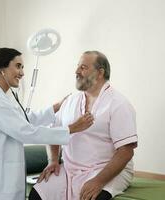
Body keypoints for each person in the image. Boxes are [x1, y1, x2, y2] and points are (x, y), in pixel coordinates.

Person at [0, 48, 94, 200]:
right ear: (2, 69)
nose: (22, 73)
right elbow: (28, 132)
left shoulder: (0, 99)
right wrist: (72, 128)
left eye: (22, 67)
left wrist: (55, 108)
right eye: (18, 66)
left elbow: (23, 119)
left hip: (1, 176)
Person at [30, 51, 138, 200]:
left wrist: (98, 181)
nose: (76, 72)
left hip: (104, 169)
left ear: (100, 73)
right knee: (37, 195)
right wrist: (53, 160)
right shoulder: (70, 101)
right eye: (78, 67)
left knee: (95, 197)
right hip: (69, 170)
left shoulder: (118, 104)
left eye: (83, 67)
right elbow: (53, 131)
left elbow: (126, 151)